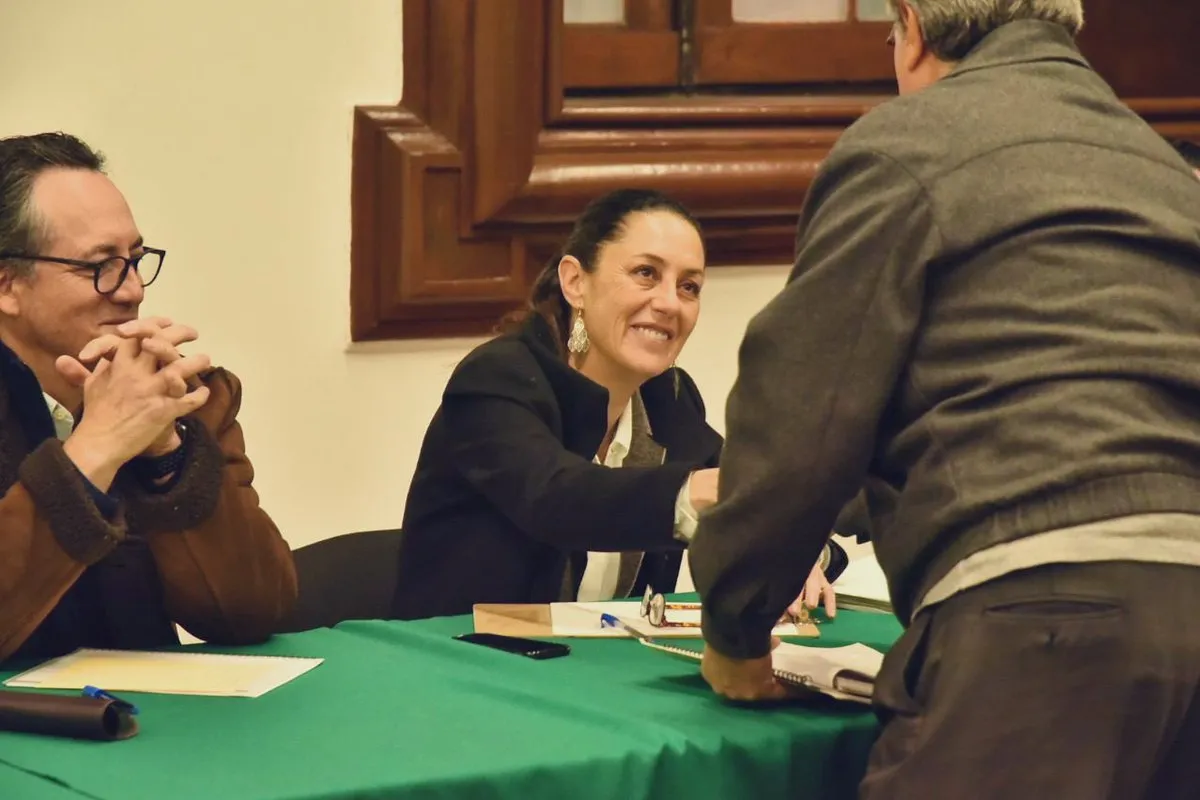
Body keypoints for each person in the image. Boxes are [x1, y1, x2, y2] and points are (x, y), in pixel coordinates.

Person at [688, 0, 1200, 797]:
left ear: (913, 27)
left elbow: (803, 419)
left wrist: (735, 623)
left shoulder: (908, 146)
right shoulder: (1163, 169)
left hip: (1038, 609)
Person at [394, 189, 849, 620]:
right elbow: (557, 498)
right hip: (461, 659)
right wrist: (696, 493)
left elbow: (752, 491)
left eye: (689, 286)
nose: (669, 303)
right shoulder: (497, 378)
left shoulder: (668, 397)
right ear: (575, 282)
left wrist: (789, 544)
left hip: (598, 663)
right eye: (646, 273)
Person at [0, 132, 296, 663]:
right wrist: (96, 449)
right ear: (7, 286)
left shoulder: (186, 396)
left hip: (146, 708)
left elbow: (251, 614)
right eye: (99, 266)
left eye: (135, 259)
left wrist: (167, 455)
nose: (133, 289)